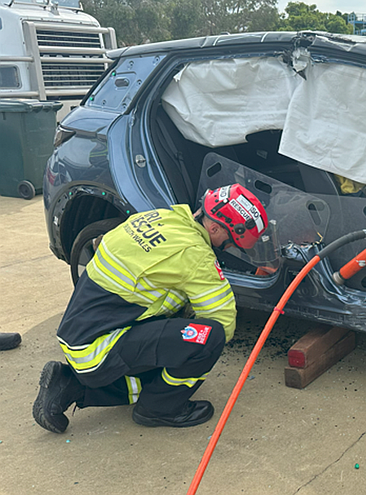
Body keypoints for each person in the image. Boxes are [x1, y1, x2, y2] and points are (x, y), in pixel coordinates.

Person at [33, 184, 267, 433]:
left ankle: (67, 385)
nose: (230, 248)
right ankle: (159, 408)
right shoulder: (195, 255)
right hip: (99, 352)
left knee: (155, 372)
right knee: (210, 337)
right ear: (215, 228)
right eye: (232, 242)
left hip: (81, 340)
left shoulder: (161, 217)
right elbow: (223, 322)